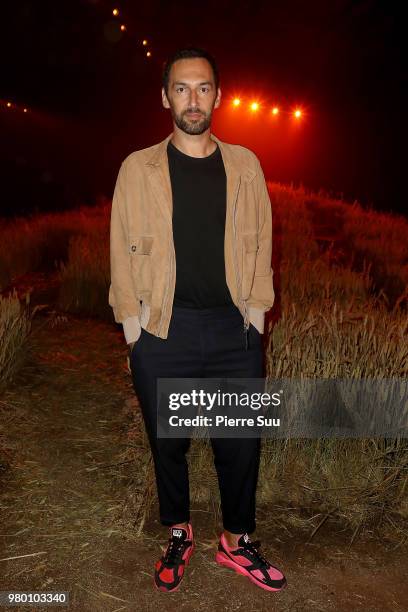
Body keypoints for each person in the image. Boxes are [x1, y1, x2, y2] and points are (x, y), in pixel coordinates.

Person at [109, 46, 286, 594]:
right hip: (165, 329)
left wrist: (256, 320)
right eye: (181, 88)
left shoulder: (246, 165)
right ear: (165, 97)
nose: (193, 99)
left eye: (203, 87)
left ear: (217, 96)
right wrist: (134, 332)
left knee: (240, 441)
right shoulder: (137, 168)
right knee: (170, 442)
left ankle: (236, 541)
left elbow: (262, 245)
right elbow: (119, 247)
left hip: (233, 330)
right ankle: (179, 530)